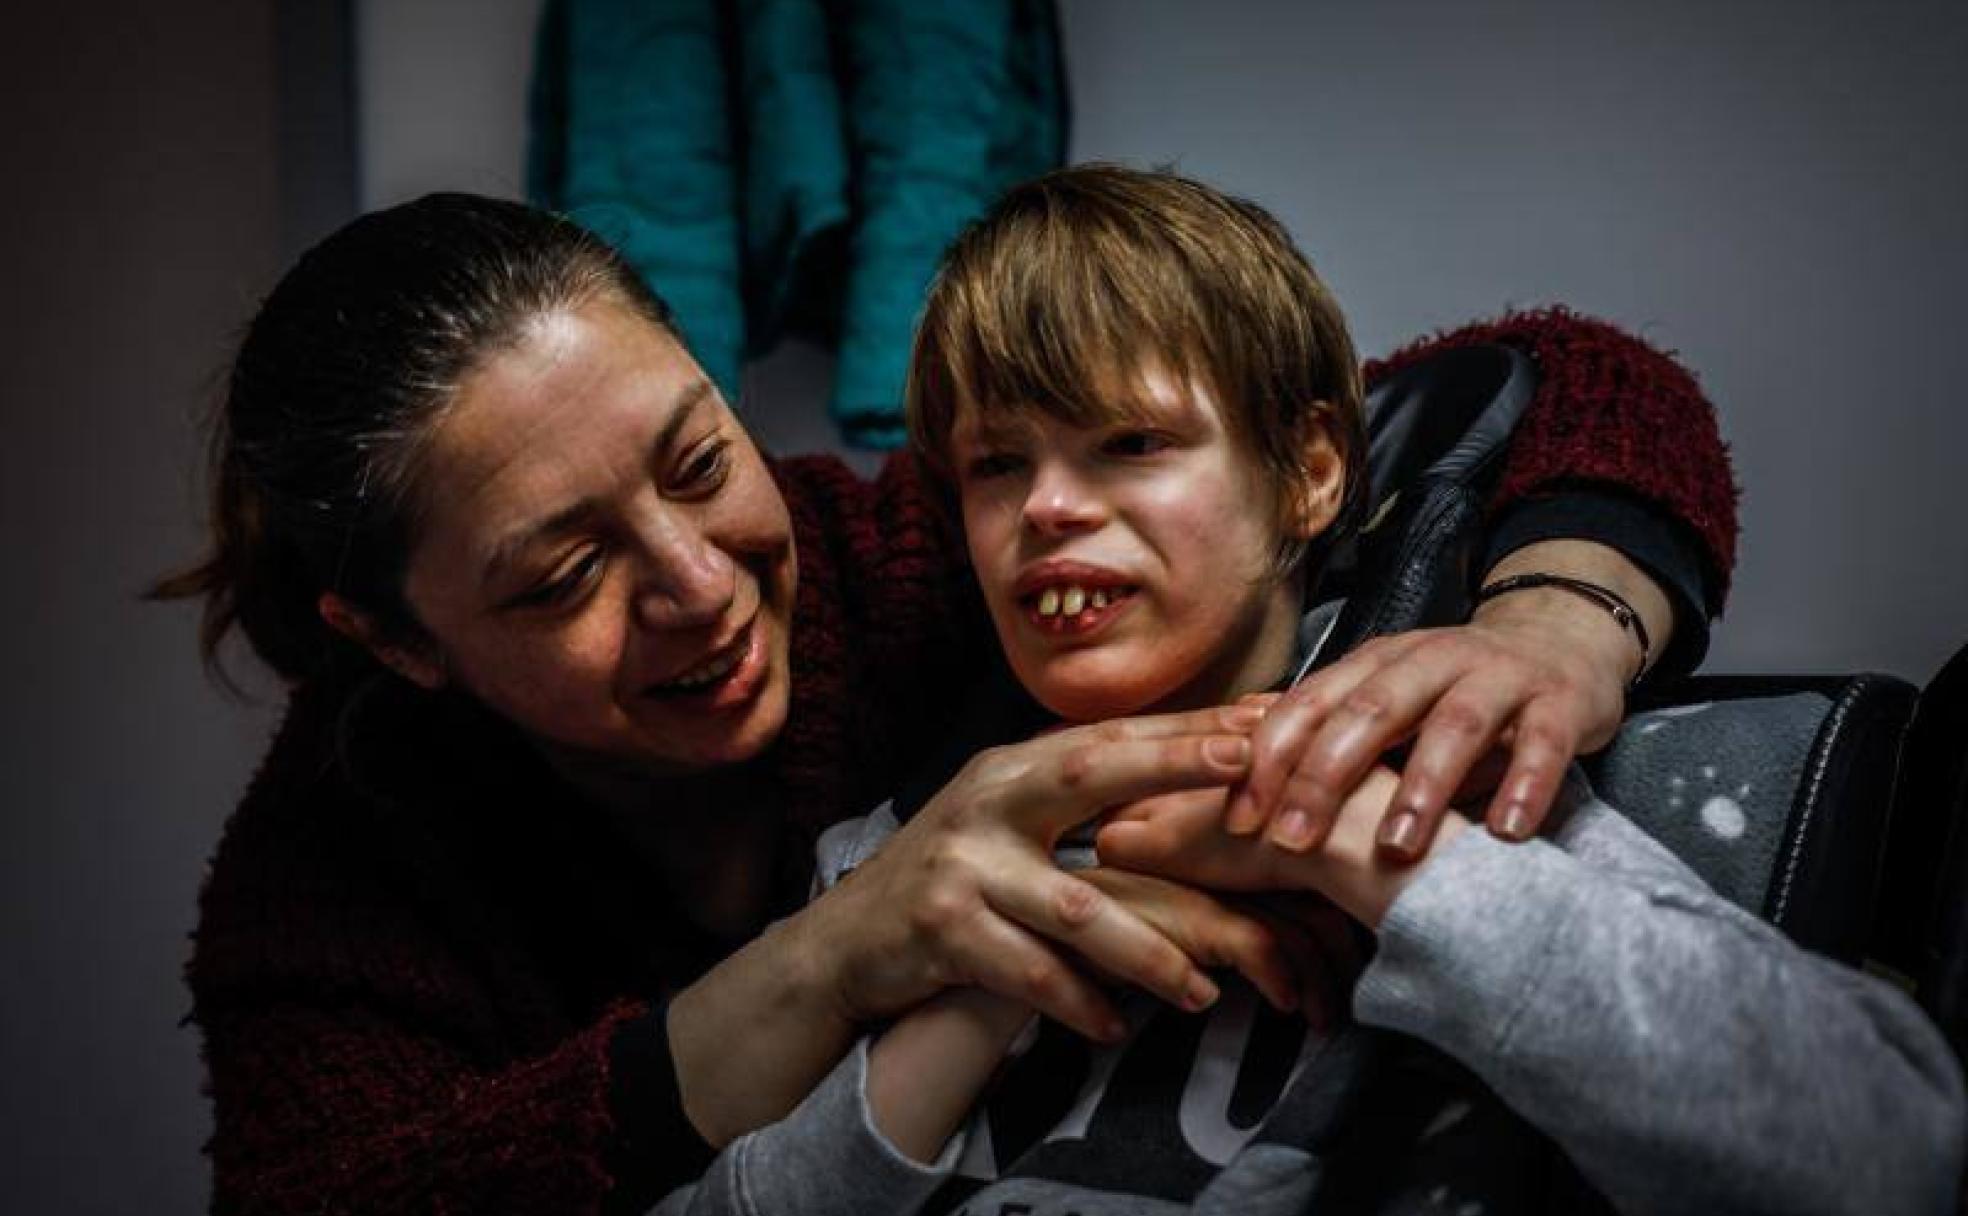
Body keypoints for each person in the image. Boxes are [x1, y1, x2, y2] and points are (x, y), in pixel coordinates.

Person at [164, 190, 1742, 1215]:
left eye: (703, 465)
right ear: (398, 640)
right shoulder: (330, 876)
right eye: (561, 577)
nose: (703, 587)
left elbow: (1545, 378)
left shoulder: (922, 553)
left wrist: (1562, 621)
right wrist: (840, 958)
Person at [652, 166, 1964, 1216]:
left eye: (1131, 444)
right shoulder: (893, 856)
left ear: (1311, 474)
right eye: (998, 466)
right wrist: (998, 966)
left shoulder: (1459, 764)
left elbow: (1884, 1157)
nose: (1047, 507)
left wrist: (1334, 831)